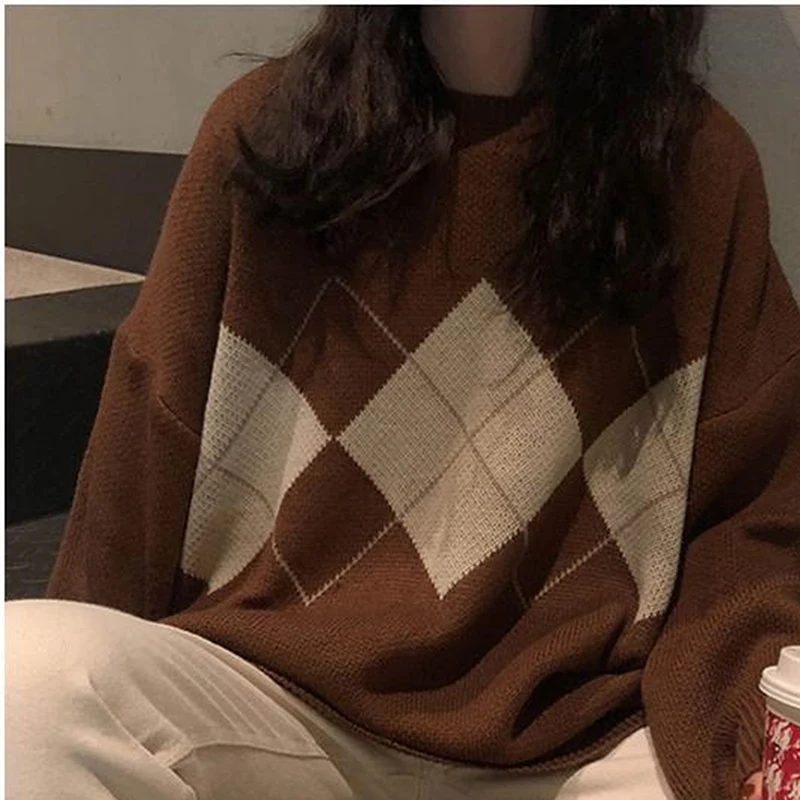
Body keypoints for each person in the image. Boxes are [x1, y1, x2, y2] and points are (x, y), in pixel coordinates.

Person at [6, 7, 799, 800]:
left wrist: (741, 738)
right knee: (26, 683)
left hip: (578, 735)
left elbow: (756, 515)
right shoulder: (263, 133)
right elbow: (142, 456)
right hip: (272, 701)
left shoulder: (695, 165)